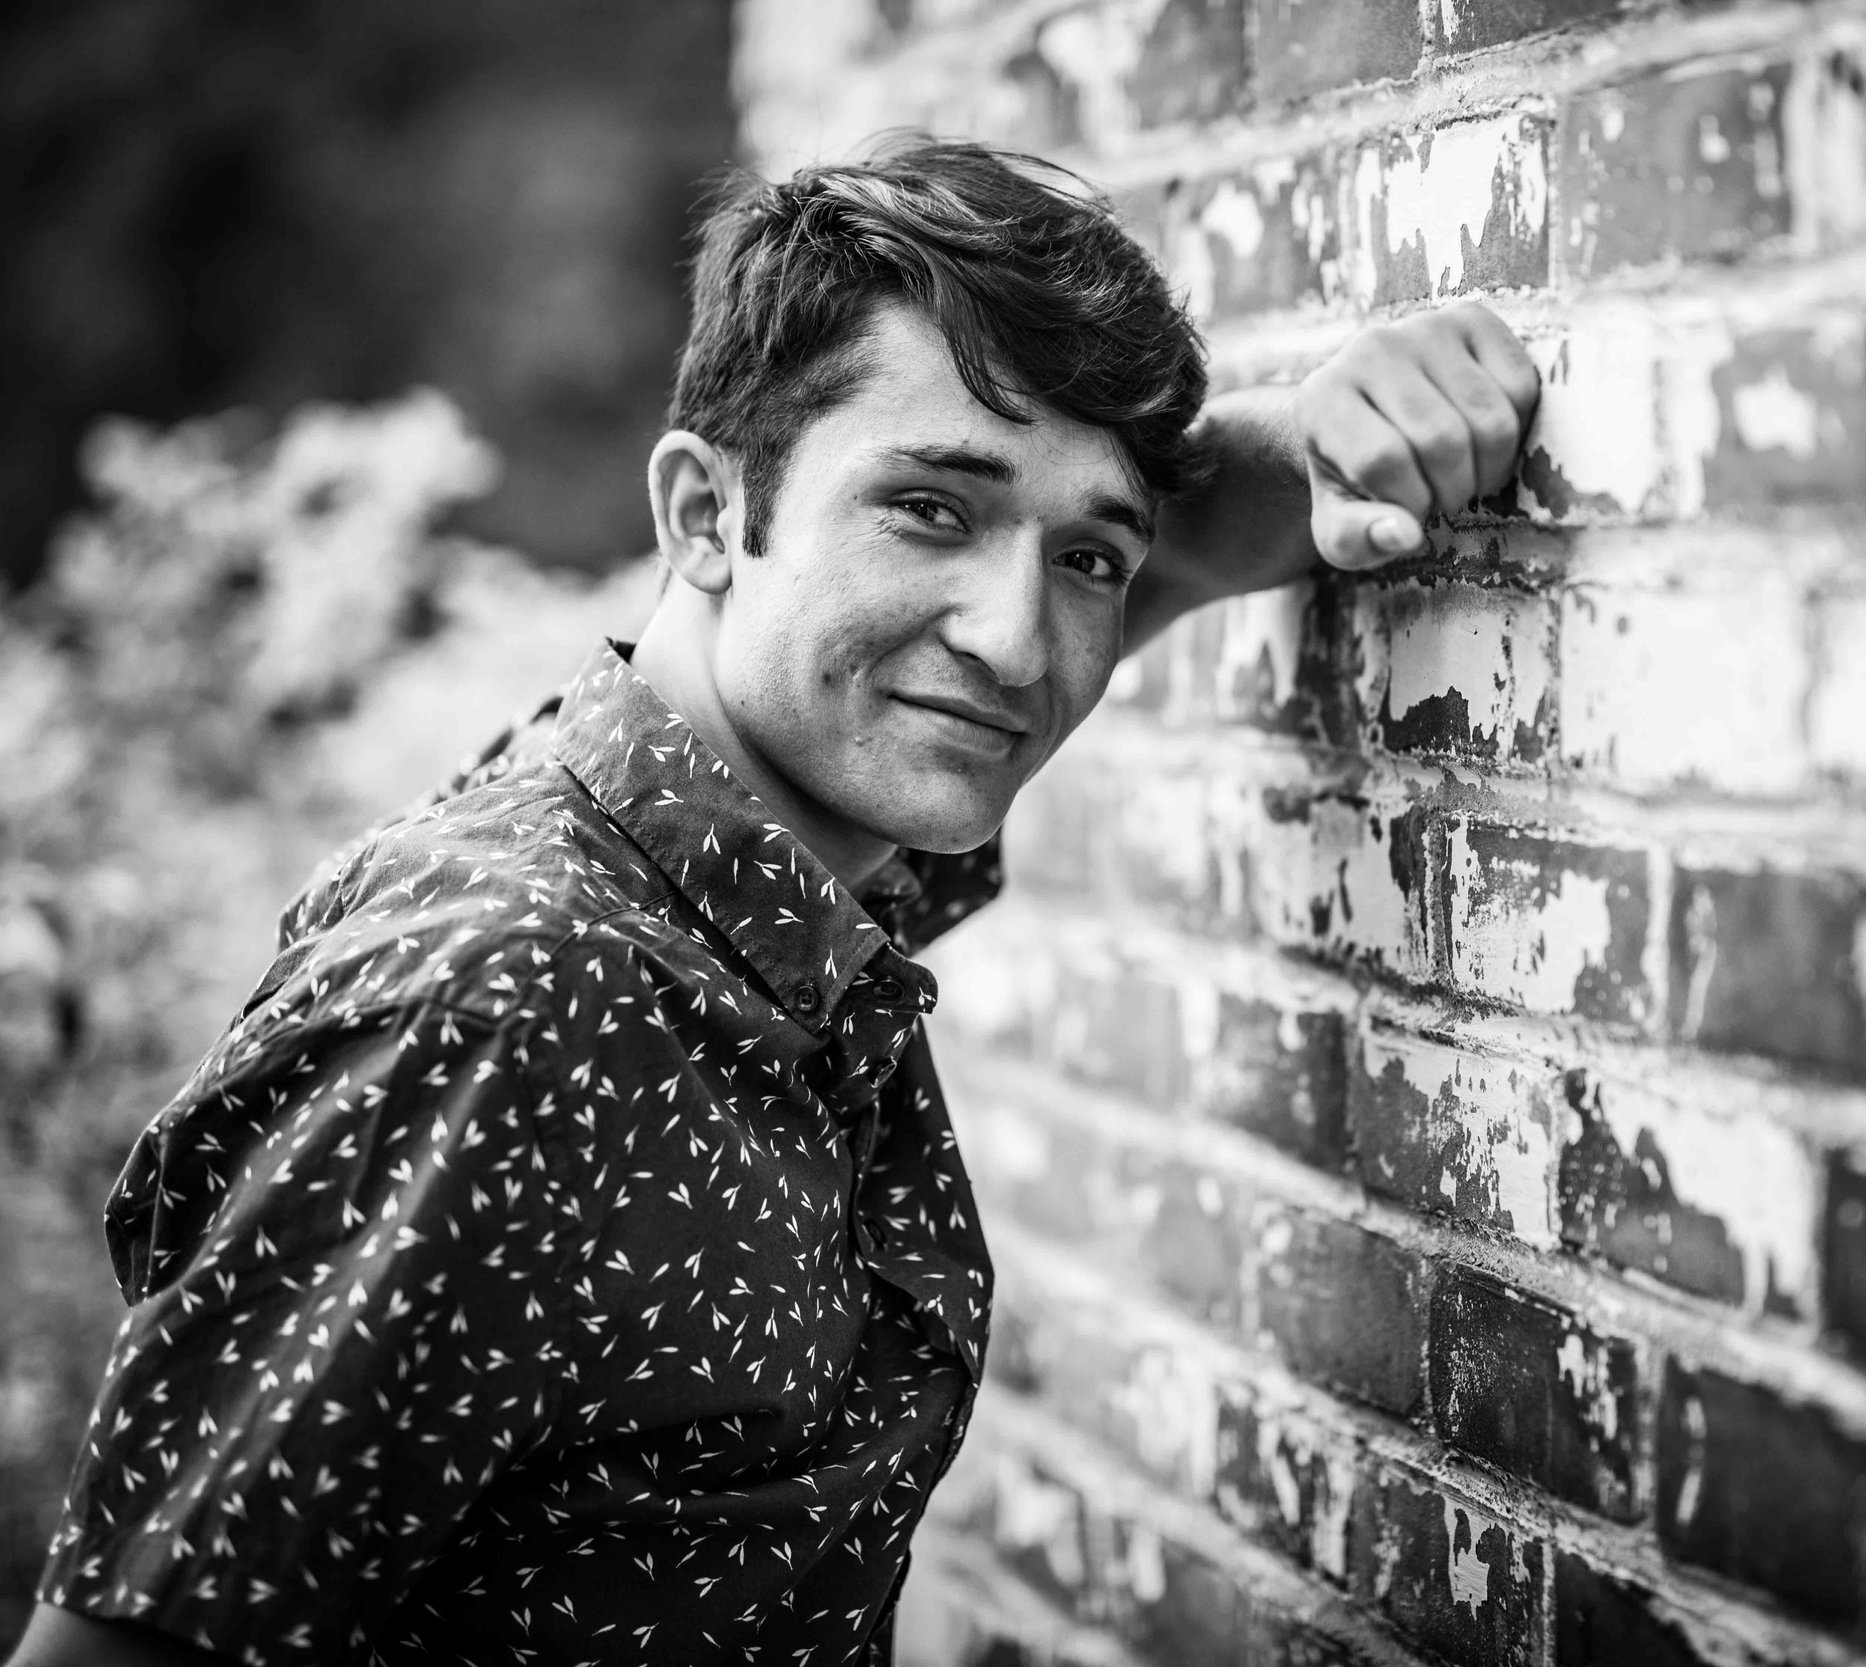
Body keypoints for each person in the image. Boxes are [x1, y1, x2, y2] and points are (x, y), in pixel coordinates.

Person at [7, 135, 1540, 1667]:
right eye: (929, 511)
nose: (1015, 643)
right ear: (702, 515)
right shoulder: (509, 1007)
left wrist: (1342, 435)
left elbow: (1166, 544)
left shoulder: (743, 865)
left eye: (1083, 556)